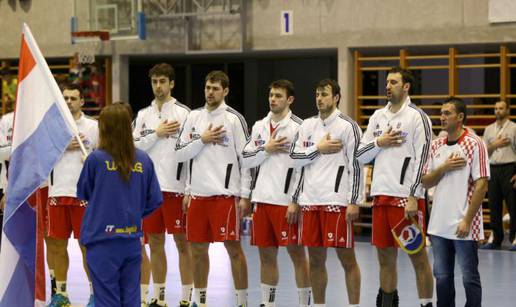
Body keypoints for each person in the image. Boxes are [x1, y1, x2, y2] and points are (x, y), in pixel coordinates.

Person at [356, 67, 433, 307]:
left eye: (393, 82)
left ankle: (426, 304)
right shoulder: (378, 117)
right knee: (385, 258)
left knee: (417, 257)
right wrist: (380, 142)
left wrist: (413, 195)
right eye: (386, 82)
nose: (387, 86)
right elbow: (359, 154)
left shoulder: (417, 117)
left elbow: (423, 158)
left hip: (405, 199)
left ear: (406, 86)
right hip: (381, 197)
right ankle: (388, 303)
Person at [175, 70, 251, 307]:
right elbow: (180, 153)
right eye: (208, 87)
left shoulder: (234, 119)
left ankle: (241, 302)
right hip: (198, 196)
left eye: (215, 88)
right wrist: (188, 190)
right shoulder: (193, 117)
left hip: (225, 197)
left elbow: (246, 159)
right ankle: (201, 301)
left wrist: (245, 195)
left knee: (234, 249)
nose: (210, 92)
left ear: (225, 91)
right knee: (197, 250)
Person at [77, 103, 163, 307]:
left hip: (101, 240)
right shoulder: (144, 160)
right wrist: (131, 210)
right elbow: (154, 200)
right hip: (131, 240)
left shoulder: (95, 160)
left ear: (104, 128)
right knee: (131, 298)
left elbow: (84, 193)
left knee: (107, 299)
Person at [290, 79, 363, 307]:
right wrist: (317, 148)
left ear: (336, 97)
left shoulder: (348, 126)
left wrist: (354, 201)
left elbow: (357, 166)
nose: (319, 98)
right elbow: (295, 158)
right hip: (311, 202)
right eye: (317, 94)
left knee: (347, 259)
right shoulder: (306, 126)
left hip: (337, 202)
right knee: (316, 260)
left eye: (324, 94)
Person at [241, 80, 311, 307]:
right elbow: (246, 159)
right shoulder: (259, 126)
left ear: (289, 100)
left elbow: (305, 167)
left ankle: (304, 304)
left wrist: (295, 200)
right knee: (266, 257)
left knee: (297, 255)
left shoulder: (300, 128)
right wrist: (265, 149)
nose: (273, 99)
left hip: (286, 202)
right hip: (262, 200)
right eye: (271, 95)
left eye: (278, 96)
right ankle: (267, 303)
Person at [132, 63, 193, 307]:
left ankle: (187, 298)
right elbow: (134, 148)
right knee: (154, 242)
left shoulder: (185, 114)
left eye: (162, 81)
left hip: (177, 189)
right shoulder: (143, 115)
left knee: (182, 243)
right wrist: (155, 133)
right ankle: (159, 296)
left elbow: (192, 155)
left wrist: (189, 189)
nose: (158, 86)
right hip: (149, 191)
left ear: (171, 84)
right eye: (154, 82)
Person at [422, 97, 489, 307]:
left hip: (464, 224)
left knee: (469, 277)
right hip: (439, 224)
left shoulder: (474, 143)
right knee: (442, 277)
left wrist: (467, 220)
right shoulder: (435, 145)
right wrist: (443, 168)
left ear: (460, 117)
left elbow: (482, 185)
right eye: (441, 113)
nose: (442, 117)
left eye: (447, 113)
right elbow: (425, 181)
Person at [45, 83, 98, 307]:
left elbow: (103, 156)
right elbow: (40, 157)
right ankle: (61, 295)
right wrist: (62, 146)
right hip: (57, 193)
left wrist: (91, 161)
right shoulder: (52, 127)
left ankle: (95, 294)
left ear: (81, 102)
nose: (68, 102)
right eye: (65, 98)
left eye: (73, 98)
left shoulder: (93, 127)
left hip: (83, 195)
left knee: (87, 247)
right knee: (57, 245)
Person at [481, 100, 516, 251]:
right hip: (493, 169)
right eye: (495, 108)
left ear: (507, 110)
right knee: (494, 205)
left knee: (513, 206)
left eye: (501, 108)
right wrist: (494, 144)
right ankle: (496, 239)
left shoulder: (514, 128)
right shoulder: (489, 129)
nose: (498, 111)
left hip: (510, 168)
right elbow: (484, 152)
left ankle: (514, 239)